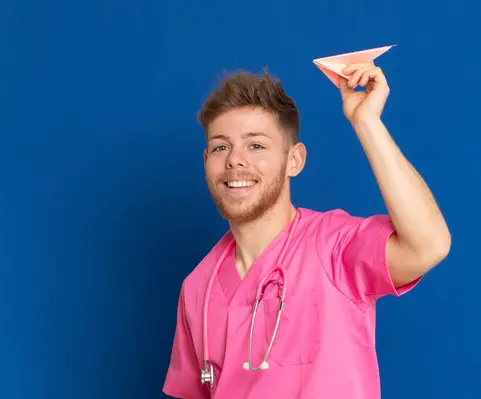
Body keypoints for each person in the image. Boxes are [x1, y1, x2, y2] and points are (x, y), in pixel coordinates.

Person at [162, 63, 451, 399]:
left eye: (256, 145)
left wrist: (366, 122)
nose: (234, 161)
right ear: (206, 161)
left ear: (294, 161)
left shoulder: (334, 247)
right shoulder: (199, 287)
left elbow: (429, 246)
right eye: (220, 147)